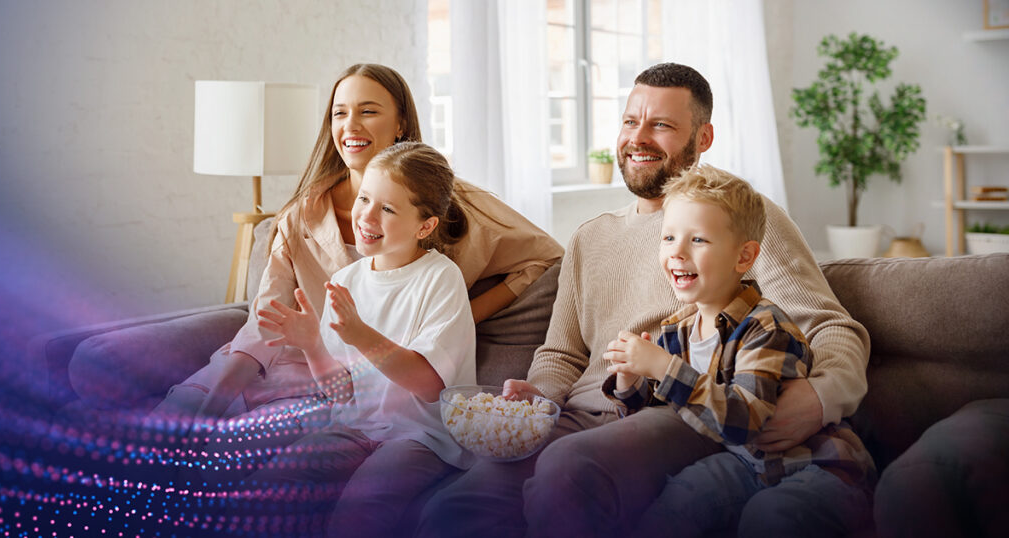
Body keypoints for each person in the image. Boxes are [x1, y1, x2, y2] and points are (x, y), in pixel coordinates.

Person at [416, 62, 869, 537]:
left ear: (704, 137)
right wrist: (539, 398)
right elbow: (561, 353)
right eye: (631, 121)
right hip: (581, 413)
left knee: (568, 470)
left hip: (674, 410)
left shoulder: (740, 220)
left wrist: (821, 398)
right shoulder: (590, 237)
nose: (639, 138)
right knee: (452, 509)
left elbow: (828, 326)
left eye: (662, 125)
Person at [145, 64, 562, 480]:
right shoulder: (301, 216)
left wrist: (469, 314)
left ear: (400, 123)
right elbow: (265, 325)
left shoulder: (448, 200)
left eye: (368, 111)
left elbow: (545, 256)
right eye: (339, 113)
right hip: (300, 370)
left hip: (368, 395)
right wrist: (214, 404)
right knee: (169, 438)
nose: (350, 125)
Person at [603, 164, 875, 537]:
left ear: (744, 258)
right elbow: (653, 407)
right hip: (747, 465)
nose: (677, 252)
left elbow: (742, 420)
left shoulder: (766, 327)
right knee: (672, 509)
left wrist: (665, 368)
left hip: (817, 469)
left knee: (769, 518)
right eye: (668, 238)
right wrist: (628, 379)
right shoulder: (676, 330)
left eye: (697, 240)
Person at [244, 141, 477, 537]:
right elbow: (343, 394)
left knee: (359, 515)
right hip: (355, 428)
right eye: (364, 198)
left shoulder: (440, 278)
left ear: (425, 226)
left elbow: (428, 385)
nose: (366, 216)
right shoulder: (345, 282)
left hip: (422, 437)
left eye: (387, 208)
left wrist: (361, 334)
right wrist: (313, 347)